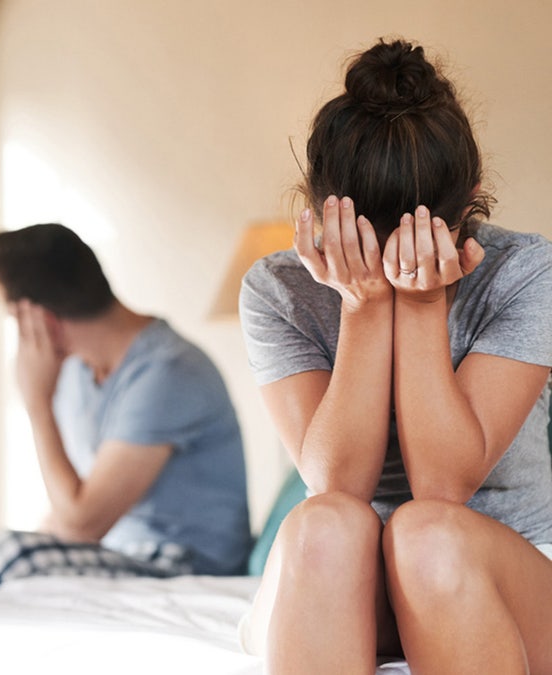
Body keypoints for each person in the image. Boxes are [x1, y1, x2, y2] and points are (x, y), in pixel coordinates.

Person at [238, 39, 552, 673]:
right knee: (321, 525)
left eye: (413, 245)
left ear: (471, 203)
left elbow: (442, 488)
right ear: (317, 211)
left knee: (426, 533)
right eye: (367, 246)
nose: (387, 266)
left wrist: (420, 305)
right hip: (341, 577)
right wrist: (363, 306)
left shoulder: (527, 272)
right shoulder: (278, 290)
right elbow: (336, 486)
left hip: (498, 564)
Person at [0, 223, 252, 588]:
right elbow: (70, 517)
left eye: (15, 319)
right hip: (123, 553)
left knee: (6, 555)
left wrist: (36, 403)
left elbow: (82, 523)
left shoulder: (168, 372)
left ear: (42, 319)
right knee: (15, 553)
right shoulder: (75, 371)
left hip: (186, 563)